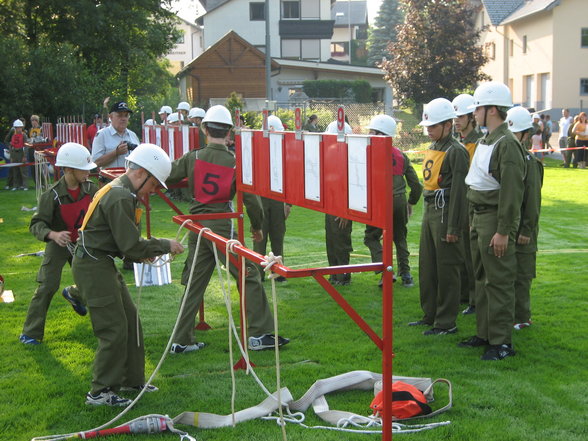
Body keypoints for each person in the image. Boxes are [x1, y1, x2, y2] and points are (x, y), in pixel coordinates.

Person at [166, 105, 289, 353]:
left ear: (204, 129)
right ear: (230, 132)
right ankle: (258, 334)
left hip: (197, 224)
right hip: (222, 226)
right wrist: (257, 226)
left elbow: (168, 173)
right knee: (249, 274)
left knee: (195, 283)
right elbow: (252, 200)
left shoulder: (194, 156)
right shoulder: (235, 162)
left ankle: (180, 339)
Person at [72, 143, 185, 407]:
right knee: (113, 329)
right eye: (154, 185)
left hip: (100, 262)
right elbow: (130, 246)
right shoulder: (120, 195)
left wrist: (138, 250)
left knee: (131, 321)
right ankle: (100, 392)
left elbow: (126, 243)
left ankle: (131, 380)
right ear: (141, 173)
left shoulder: (121, 190)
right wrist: (164, 245)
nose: (153, 191)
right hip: (93, 266)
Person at [460, 81, 526, 361]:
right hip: (479, 216)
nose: (474, 113)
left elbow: (512, 194)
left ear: (492, 110)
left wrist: (503, 231)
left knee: (498, 281)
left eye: (478, 108)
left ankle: (502, 342)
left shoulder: (507, 144)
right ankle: (485, 333)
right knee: (481, 279)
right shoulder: (488, 139)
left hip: (493, 219)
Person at [19, 143, 98, 345]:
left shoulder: (91, 188)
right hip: (58, 244)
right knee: (47, 285)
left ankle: (73, 294)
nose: (89, 173)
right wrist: (53, 234)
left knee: (94, 282)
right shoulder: (50, 195)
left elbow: (99, 215)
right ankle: (31, 333)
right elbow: (36, 224)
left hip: (82, 243)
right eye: (84, 169)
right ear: (69, 169)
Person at [410, 98, 469, 336]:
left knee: (447, 269)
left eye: (433, 126)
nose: (429, 130)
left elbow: (459, 193)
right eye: (428, 127)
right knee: (428, 266)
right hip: (430, 209)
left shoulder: (457, 151)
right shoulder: (435, 146)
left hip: (446, 213)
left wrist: (454, 226)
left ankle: (446, 322)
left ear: (447, 125)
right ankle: (430, 314)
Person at [363, 115, 422, 288]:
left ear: (379, 134)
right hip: (399, 201)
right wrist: (410, 202)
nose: (369, 135)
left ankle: (385, 273)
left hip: (380, 201)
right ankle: (406, 275)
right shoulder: (401, 155)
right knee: (400, 237)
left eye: (372, 132)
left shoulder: (369, 153)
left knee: (371, 237)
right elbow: (416, 185)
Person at [505, 106, 543, 330]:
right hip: (510, 225)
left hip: (523, 229)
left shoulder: (530, 163)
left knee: (522, 274)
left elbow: (532, 201)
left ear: (525, 135)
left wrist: (527, 230)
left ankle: (522, 317)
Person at [452, 94, 483, 315]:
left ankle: (474, 299)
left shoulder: (479, 142)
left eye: (460, 117)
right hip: (460, 200)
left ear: (471, 117)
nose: (456, 121)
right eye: (454, 117)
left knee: (473, 255)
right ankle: (464, 294)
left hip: (473, 202)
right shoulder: (462, 142)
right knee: (461, 252)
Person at [254, 114, 291, 282]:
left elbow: (290, 176)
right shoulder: (256, 150)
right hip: (261, 197)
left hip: (278, 197)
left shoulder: (285, 151)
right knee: (260, 236)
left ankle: (279, 272)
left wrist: (288, 202)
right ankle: (258, 273)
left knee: (277, 236)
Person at [324, 119, 353, 285]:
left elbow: (350, 186)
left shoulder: (350, 158)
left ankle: (343, 275)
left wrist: (345, 210)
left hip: (342, 205)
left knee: (341, 241)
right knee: (331, 240)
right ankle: (334, 273)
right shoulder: (332, 155)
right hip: (331, 203)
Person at [92, 101, 140, 169]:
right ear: (110, 117)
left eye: (126, 115)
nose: (123, 118)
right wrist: (116, 153)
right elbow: (95, 162)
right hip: (110, 178)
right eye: (120, 115)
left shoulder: (133, 135)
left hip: (132, 178)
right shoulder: (102, 135)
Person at [8, 119, 27, 191]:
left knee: (23, 171)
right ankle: (16, 185)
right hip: (14, 153)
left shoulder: (24, 135)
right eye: (16, 127)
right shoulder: (13, 135)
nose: (17, 129)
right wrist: (11, 156)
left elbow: (26, 146)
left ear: (21, 128)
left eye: (19, 127)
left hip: (21, 153)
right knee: (15, 170)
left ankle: (25, 185)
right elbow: (11, 145)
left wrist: (24, 156)